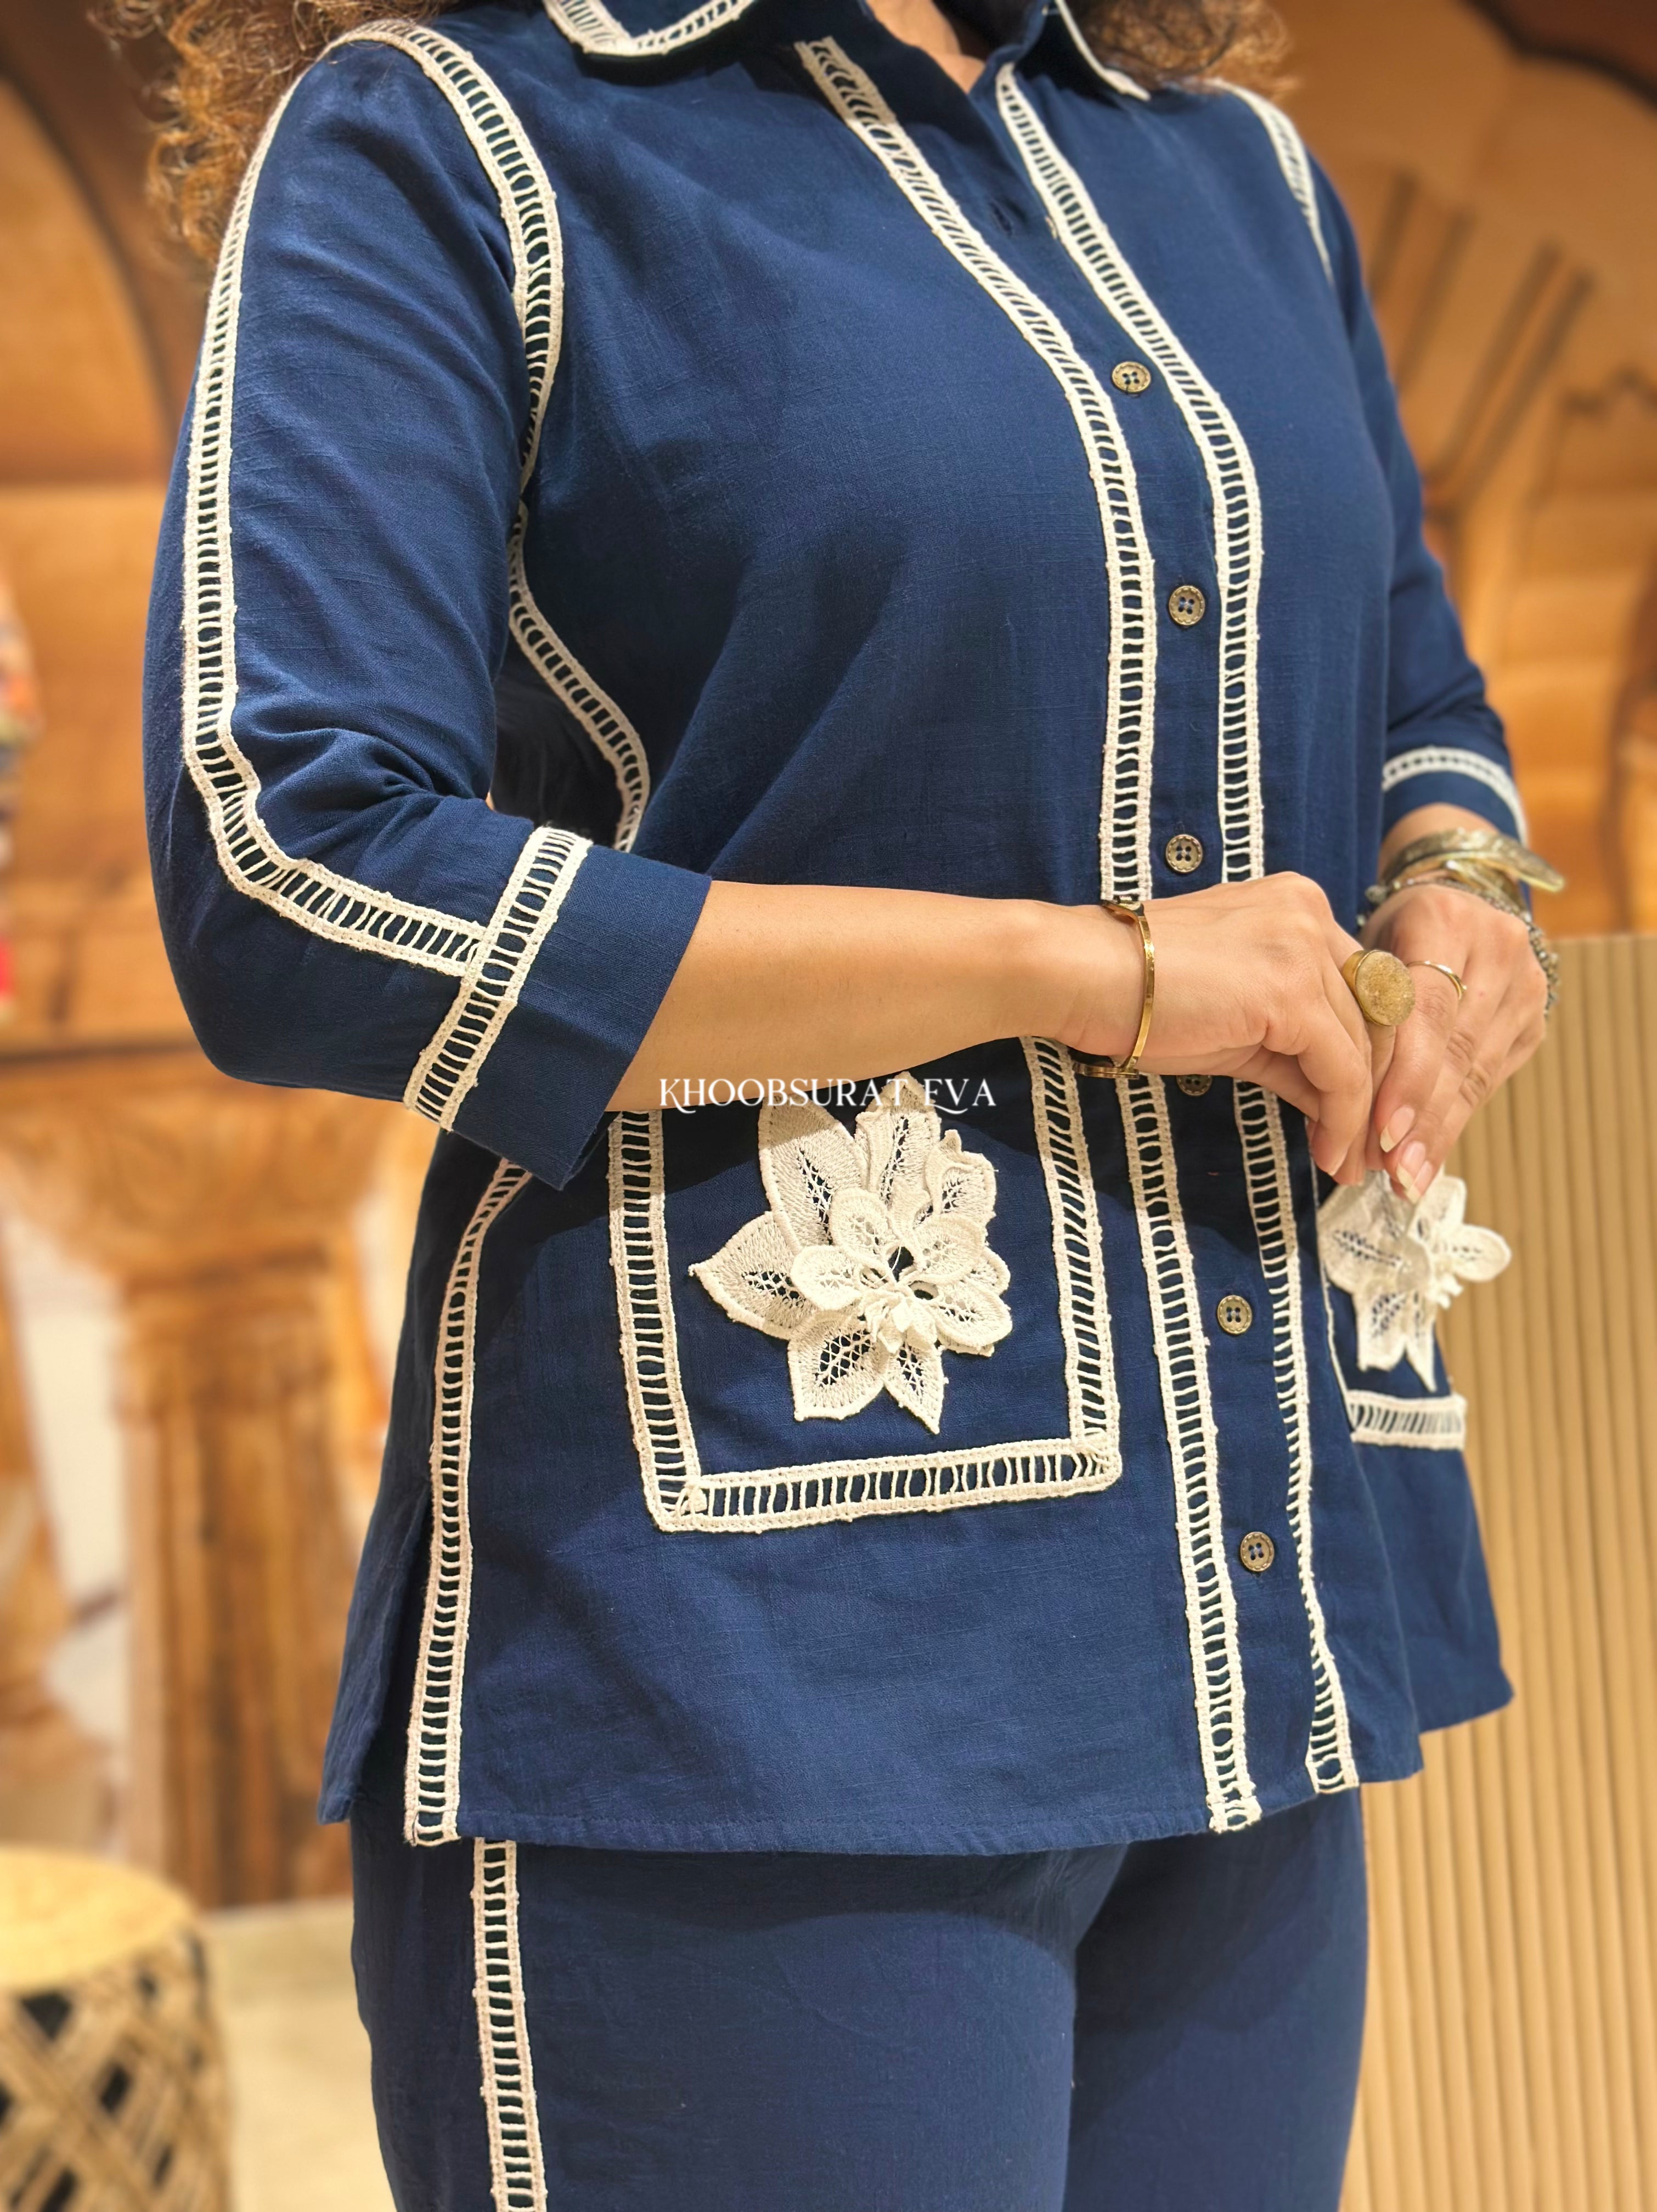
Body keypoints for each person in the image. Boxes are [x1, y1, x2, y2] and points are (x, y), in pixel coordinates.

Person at [123, 0, 1557, 2202]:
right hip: (748, 1665)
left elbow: (1406, 679)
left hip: (1251, 1597)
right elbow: (289, 865)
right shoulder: (459, 140)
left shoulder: (1228, 176)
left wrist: (1460, 876)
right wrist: (1080, 973)